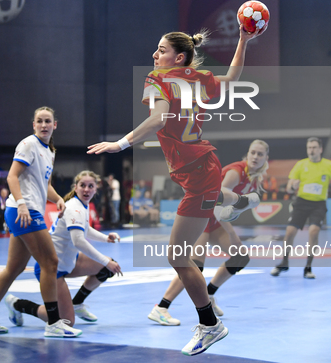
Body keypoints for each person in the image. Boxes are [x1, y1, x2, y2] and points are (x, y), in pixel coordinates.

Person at [87, 24, 265, 355]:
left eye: (161, 50)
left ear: (178, 57)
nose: (155, 55)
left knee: (178, 256)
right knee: (183, 255)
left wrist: (120, 144)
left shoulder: (156, 79)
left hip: (198, 175)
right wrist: (242, 40)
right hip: (204, 167)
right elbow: (232, 79)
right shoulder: (196, 79)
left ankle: (210, 325)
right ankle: (237, 201)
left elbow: (157, 119)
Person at [0, 107, 82, 338]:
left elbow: (45, 186)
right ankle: (53, 323)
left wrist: (58, 198)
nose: (44, 125)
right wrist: (22, 203)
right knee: (51, 262)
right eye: (39, 121)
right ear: (33, 125)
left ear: (55, 125)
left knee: (14, 268)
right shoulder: (28, 144)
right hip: (24, 211)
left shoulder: (49, 151)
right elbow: (12, 176)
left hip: (24, 211)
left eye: (48, 121)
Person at [148, 140, 268, 325]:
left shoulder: (255, 178)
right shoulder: (237, 172)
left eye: (260, 154)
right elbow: (216, 201)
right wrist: (232, 234)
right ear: (247, 153)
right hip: (203, 214)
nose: (255, 157)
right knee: (193, 265)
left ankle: (210, 294)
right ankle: (161, 307)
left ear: (266, 158)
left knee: (240, 258)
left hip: (214, 221)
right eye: (253, 152)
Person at [6, 171, 122, 328]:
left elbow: (84, 229)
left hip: (69, 262)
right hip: (52, 270)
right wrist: (105, 261)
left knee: (107, 268)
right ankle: (17, 305)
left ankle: (77, 303)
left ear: (96, 189)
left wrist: (105, 238)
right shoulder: (74, 208)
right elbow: (78, 241)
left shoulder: (82, 205)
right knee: (66, 321)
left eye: (90, 186)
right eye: (82, 186)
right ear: (76, 187)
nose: (86, 189)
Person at [270, 137, 331, 279]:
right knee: (290, 231)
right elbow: (289, 187)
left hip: (318, 204)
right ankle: (284, 262)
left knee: (314, 231)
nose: (311, 150)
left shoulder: (329, 165)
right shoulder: (300, 165)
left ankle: (308, 267)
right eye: (309, 148)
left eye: (314, 147)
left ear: (320, 149)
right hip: (302, 202)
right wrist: (293, 186)